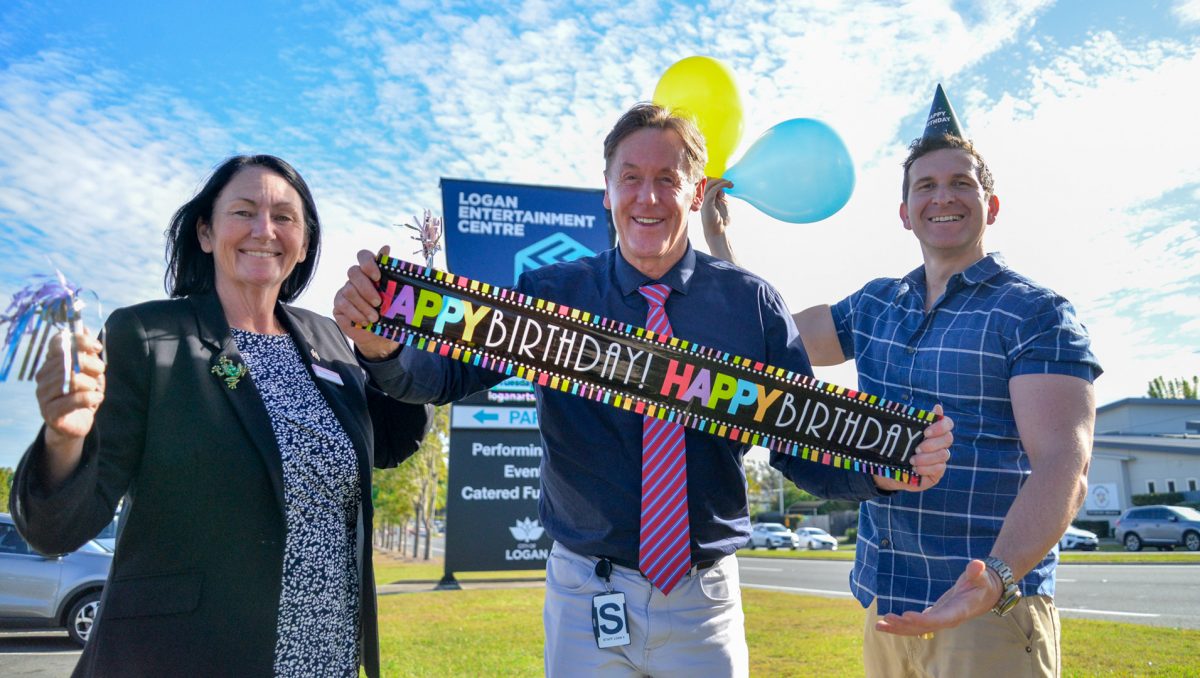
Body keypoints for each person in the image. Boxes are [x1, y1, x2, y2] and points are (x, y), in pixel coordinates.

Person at [334, 103, 954, 677]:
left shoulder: (752, 305)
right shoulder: (552, 293)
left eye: (668, 178)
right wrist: (380, 347)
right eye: (630, 178)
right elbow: (445, 376)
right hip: (585, 594)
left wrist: (878, 472)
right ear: (607, 192)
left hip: (702, 598)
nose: (648, 196)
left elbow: (798, 449)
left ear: (698, 191)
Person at [703, 86, 1101, 677]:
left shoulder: (1034, 314)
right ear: (904, 211)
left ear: (991, 205)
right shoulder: (873, 306)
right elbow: (771, 333)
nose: (944, 197)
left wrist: (994, 578)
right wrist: (718, 242)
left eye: (961, 183)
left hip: (987, 614)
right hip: (886, 606)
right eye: (926, 185)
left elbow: (1064, 468)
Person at [9, 155, 433, 677]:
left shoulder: (326, 338)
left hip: (326, 658)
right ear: (206, 233)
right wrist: (63, 440)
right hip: (183, 657)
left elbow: (390, 444)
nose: (264, 230)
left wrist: (382, 357)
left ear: (303, 244)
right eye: (244, 211)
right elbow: (57, 529)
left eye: (284, 217)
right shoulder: (147, 337)